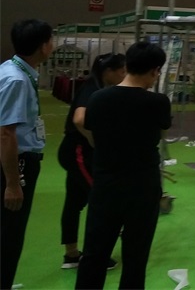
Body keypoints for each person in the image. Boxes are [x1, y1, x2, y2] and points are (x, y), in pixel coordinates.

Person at [75, 41, 172, 290]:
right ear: (155, 71)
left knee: (94, 254)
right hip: (143, 187)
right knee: (135, 257)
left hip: (106, 185)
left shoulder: (98, 98)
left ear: (127, 66)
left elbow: (89, 130)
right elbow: (162, 131)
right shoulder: (158, 102)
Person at [58, 52, 126, 269]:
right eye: (122, 71)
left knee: (74, 202)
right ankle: (96, 256)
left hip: (75, 152)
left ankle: (71, 255)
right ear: (108, 71)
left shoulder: (101, 88)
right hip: (78, 152)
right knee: (102, 200)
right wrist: (93, 139)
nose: (124, 75)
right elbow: (79, 119)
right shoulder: (92, 89)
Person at [0, 19, 53, 290]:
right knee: (10, 235)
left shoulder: (11, 70)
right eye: (51, 41)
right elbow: (6, 133)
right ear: (43, 46)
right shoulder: (17, 80)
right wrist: (12, 183)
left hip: (15, 160)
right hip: (16, 164)